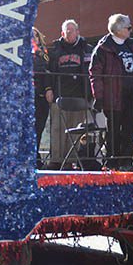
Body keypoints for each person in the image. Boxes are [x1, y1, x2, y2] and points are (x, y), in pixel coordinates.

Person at [89, 14, 133, 170]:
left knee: (130, 128)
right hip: (113, 95)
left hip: (131, 94)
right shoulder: (103, 48)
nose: (131, 30)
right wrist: (99, 96)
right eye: (128, 27)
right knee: (114, 129)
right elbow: (95, 74)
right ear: (118, 30)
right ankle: (113, 160)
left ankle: (126, 161)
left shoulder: (131, 45)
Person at [48, 20, 94, 168]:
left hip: (80, 96)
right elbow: (48, 72)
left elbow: (93, 72)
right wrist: (48, 89)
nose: (69, 34)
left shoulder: (86, 49)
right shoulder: (54, 50)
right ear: (62, 33)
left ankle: (73, 161)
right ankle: (57, 161)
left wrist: (91, 93)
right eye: (66, 32)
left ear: (77, 32)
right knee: (58, 129)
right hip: (59, 96)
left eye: (72, 31)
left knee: (77, 130)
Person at [32, 28, 54, 168]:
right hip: (28, 96)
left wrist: (48, 89)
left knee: (39, 127)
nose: (33, 38)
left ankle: (36, 156)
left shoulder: (44, 54)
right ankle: (34, 157)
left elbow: (48, 72)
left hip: (41, 95)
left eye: (35, 35)